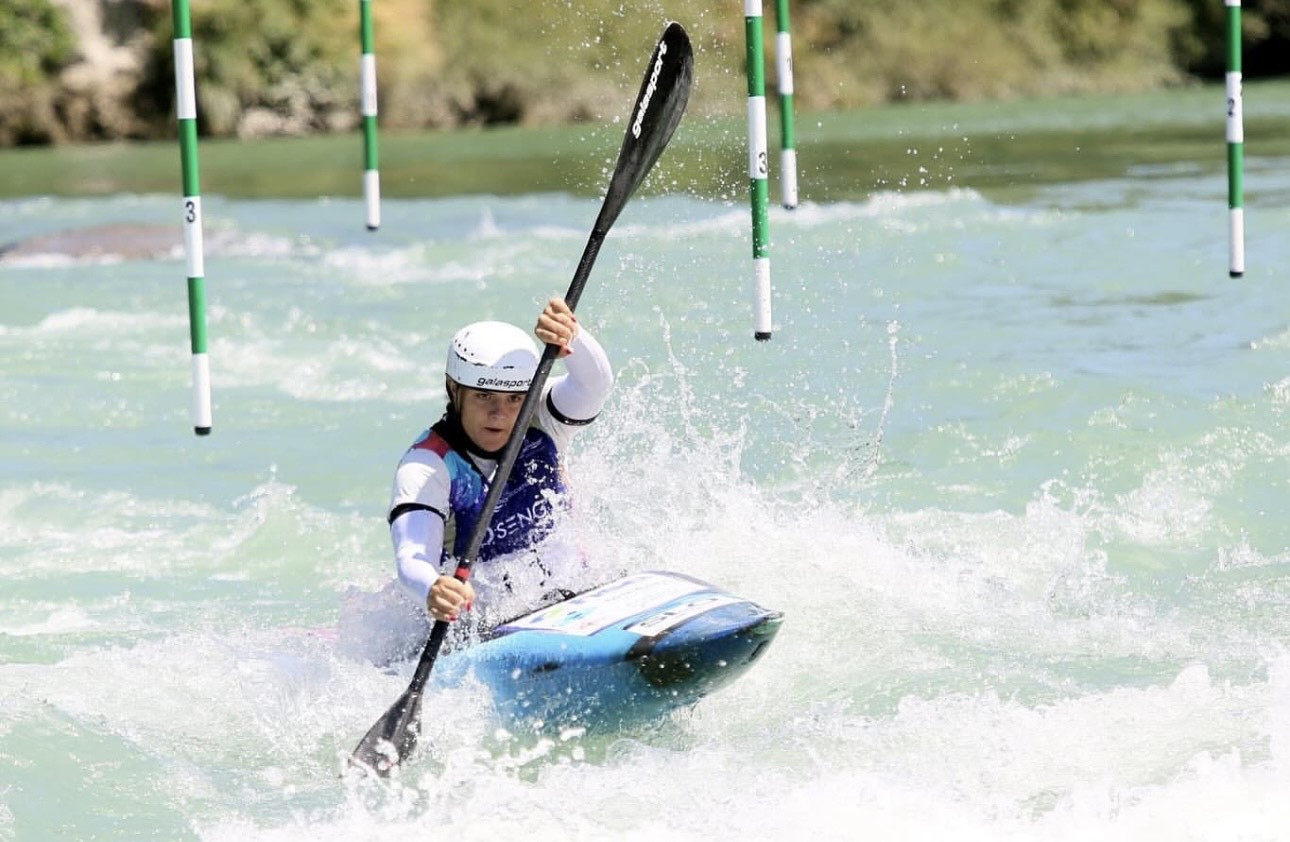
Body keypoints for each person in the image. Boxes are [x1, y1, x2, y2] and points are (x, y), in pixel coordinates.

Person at [386, 297, 613, 634]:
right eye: (483, 396)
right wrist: (435, 589)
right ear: (453, 388)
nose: (500, 414)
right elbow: (412, 559)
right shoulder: (428, 467)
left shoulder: (541, 416)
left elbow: (595, 386)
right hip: (484, 625)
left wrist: (573, 336)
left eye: (513, 399)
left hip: (573, 593)